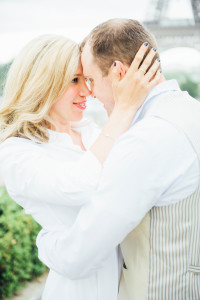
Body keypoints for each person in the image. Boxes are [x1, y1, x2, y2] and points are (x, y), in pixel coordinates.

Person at [36, 19, 200, 300]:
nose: (89, 92)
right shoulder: (191, 111)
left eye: (90, 79)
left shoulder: (146, 140)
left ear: (118, 72)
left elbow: (79, 256)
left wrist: (45, 241)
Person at [0, 34, 160, 300]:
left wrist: (50, 245)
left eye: (87, 79)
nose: (87, 91)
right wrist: (124, 109)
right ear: (43, 83)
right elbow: (79, 185)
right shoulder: (16, 152)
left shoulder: (91, 132)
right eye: (75, 80)